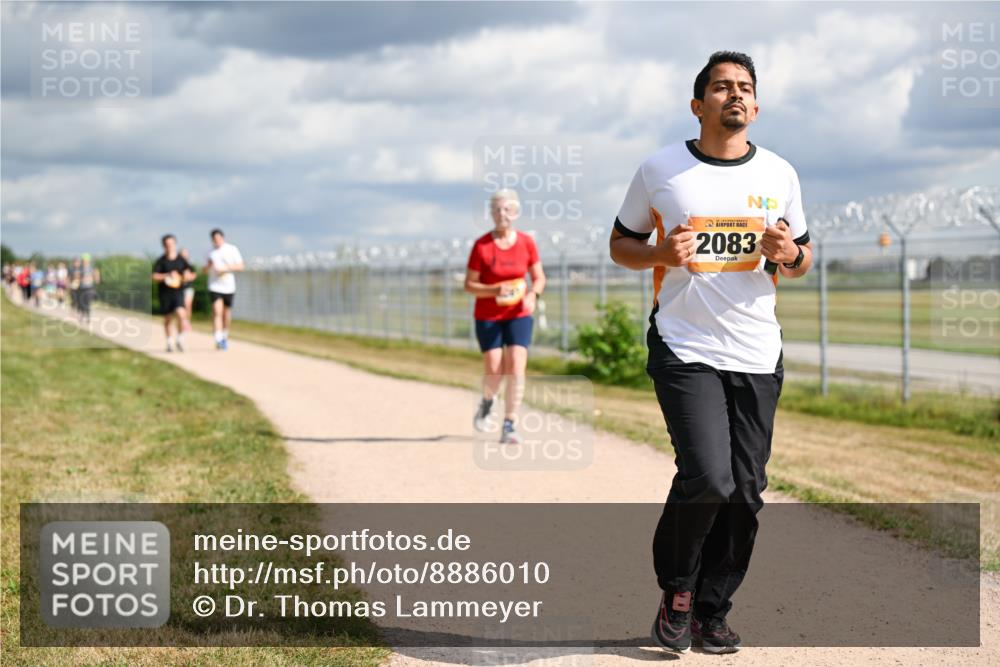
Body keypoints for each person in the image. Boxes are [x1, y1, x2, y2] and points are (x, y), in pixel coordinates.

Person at [609, 51, 812, 655]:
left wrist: (787, 255)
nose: (735, 95)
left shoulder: (780, 174)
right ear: (698, 105)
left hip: (756, 348)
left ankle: (712, 609)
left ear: (756, 104)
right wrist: (662, 257)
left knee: (746, 489)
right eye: (721, 87)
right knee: (708, 476)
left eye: (745, 88)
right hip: (683, 342)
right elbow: (622, 246)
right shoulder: (660, 170)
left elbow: (802, 260)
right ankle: (677, 591)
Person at [464, 189, 546, 444]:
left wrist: (534, 294)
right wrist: (494, 290)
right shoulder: (482, 246)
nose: (502, 214)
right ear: (491, 213)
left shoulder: (526, 243)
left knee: (516, 365)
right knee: (495, 368)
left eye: (507, 209)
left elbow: (540, 277)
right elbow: (469, 285)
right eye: (497, 210)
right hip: (488, 314)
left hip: (519, 312)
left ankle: (509, 423)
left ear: (516, 212)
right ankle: (488, 401)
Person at [152, 235, 194, 352]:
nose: (169, 246)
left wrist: (187, 276)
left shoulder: (181, 260)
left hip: (178, 292)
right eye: (167, 244)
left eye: (171, 244)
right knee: (168, 318)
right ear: (164, 246)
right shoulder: (161, 261)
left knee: (181, 314)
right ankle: (169, 341)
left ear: (175, 244)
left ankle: (180, 339)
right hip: (165, 293)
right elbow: (154, 276)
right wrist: (167, 275)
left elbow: (191, 273)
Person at [204, 228, 244, 351]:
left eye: (218, 238)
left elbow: (241, 266)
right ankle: (218, 338)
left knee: (226, 313)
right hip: (215, 286)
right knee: (217, 312)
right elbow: (204, 271)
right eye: (214, 239)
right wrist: (209, 266)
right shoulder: (210, 252)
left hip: (228, 287)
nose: (217, 241)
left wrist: (225, 268)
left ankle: (224, 335)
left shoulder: (232, 249)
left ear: (223, 238)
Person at [77, 254, 100, 324]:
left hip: (89, 288)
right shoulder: (80, 269)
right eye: (83, 260)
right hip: (81, 287)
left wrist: (96, 276)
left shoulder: (92, 268)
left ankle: (88, 316)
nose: (84, 262)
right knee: (81, 302)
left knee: (87, 302)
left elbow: (97, 279)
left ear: (88, 261)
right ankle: (82, 314)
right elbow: (77, 277)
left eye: (85, 260)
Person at [179, 248, 196, 331]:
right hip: (178, 289)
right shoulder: (176, 266)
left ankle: (186, 321)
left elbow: (193, 276)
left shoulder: (190, 266)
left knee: (187, 305)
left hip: (188, 288)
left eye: (185, 255)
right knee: (180, 307)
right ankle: (182, 321)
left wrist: (186, 277)